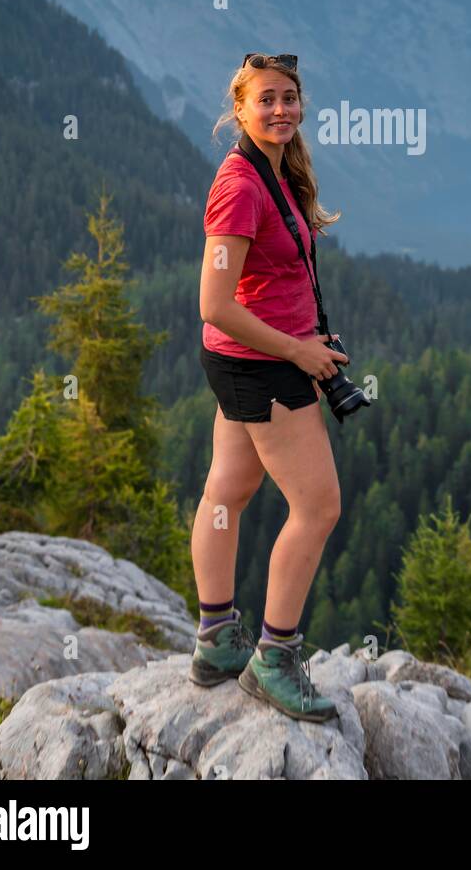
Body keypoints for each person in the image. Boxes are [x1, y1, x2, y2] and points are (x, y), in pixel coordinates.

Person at [189, 52, 349, 722]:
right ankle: (272, 659)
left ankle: (215, 641)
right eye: (266, 100)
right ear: (240, 106)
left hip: (251, 360)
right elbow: (214, 303)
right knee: (317, 508)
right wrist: (299, 353)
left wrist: (308, 341)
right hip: (263, 366)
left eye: (290, 98)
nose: (280, 109)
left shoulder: (276, 172)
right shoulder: (240, 186)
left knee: (229, 491)